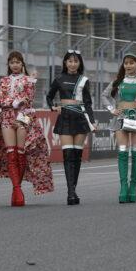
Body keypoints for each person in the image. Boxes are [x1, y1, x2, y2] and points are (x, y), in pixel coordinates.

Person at [0, 51, 54, 206]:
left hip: (23, 117)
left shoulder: (28, 80)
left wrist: (30, 83)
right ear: (8, 64)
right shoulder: (3, 80)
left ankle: (17, 190)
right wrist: (14, 102)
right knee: (11, 154)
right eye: (12, 62)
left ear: (22, 64)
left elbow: (29, 100)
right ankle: (17, 189)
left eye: (17, 62)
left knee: (21, 154)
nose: (15, 65)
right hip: (7, 117)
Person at [47, 50, 96, 206]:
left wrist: (92, 121)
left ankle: (73, 189)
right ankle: (70, 193)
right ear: (65, 63)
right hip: (65, 118)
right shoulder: (59, 79)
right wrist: (53, 107)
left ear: (79, 63)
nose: (73, 64)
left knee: (76, 156)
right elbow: (49, 96)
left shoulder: (84, 80)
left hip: (80, 118)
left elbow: (88, 103)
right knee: (68, 155)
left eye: (75, 61)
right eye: (70, 61)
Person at [104, 54, 136, 203]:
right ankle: (123, 187)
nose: (128, 65)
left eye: (131, 63)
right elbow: (104, 95)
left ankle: (133, 187)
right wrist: (112, 109)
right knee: (122, 152)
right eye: (126, 63)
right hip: (120, 119)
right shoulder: (117, 81)